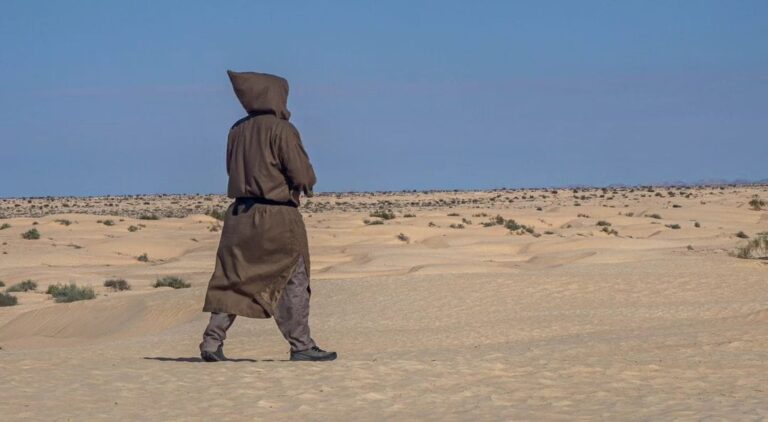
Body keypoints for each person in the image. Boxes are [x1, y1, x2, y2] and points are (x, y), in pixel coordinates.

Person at [200, 70, 336, 362]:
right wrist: (306, 184)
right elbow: (301, 173)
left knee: (232, 279)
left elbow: (230, 168)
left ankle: (212, 341)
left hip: (239, 216)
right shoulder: (282, 129)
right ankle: (301, 345)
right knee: (293, 277)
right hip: (277, 217)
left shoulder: (236, 130)